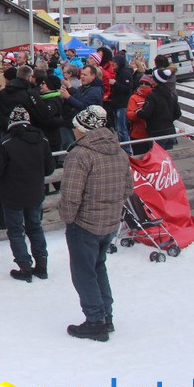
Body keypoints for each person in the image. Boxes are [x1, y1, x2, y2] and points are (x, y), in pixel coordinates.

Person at [59, 105, 132, 342]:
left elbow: (71, 195)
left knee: (84, 273)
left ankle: (95, 321)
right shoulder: (118, 151)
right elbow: (128, 188)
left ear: (84, 129)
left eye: (76, 126)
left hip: (85, 224)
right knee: (98, 267)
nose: (74, 130)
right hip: (109, 223)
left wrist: (69, 219)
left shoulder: (80, 154)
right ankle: (105, 316)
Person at [0, 106, 55, 282]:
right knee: (35, 227)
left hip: (12, 194)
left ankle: (24, 267)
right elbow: (50, 168)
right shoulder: (42, 140)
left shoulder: (5, 142)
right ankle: (42, 266)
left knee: (15, 231)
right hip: (35, 192)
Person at [135, 68, 180, 151]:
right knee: (168, 158)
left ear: (156, 80)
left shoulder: (152, 96)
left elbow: (146, 114)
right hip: (170, 131)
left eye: (152, 77)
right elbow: (178, 113)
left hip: (156, 133)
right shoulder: (171, 94)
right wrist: (168, 119)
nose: (150, 79)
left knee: (158, 159)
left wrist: (137, 111)